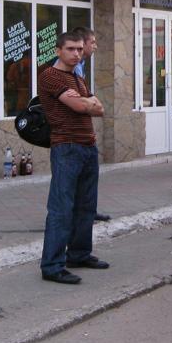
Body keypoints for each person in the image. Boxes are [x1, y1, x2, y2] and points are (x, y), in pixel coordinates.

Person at [38, 30, 108, 285]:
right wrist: (88, 103)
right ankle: (52, 266)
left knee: (86, 206)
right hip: (67, 148)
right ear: (58, 50)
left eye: (79, 49)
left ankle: (79, 254)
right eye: (70, 49)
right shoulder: (50, 76)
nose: (77, 53)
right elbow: (81, 106)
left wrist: (88, 103)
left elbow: (100, 108)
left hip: (88, 147)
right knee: (61, 208)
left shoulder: (77, 78)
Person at [70, 26, 110, 223]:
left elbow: (88, 97)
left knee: (89, 175)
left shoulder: (81, 66)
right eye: (92, 42)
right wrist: (91, 103)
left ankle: (88, 210)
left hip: (84, 130)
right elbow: (81, 100)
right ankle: (79, 212)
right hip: (74, 133)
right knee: (77, 176)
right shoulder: (70, 69)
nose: (95, 46)